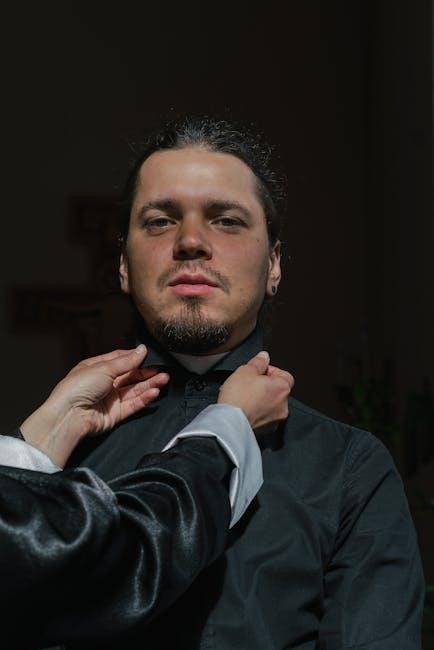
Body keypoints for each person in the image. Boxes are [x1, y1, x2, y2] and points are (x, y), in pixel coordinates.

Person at [36, 116, 424, 648]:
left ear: (274, 264)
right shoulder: (52, 455)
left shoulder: (351, 468)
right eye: (159, 221)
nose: (191, 241)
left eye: (226, 220)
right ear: (123, 264)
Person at [1, 345, 293, 649]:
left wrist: (55, 427)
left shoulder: (327, 451)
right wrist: (225, 434)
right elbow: (109, 565)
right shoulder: (94, 453)